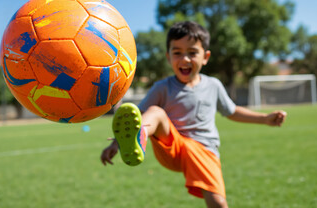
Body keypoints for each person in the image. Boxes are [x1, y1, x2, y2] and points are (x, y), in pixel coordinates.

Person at [100, 21, 287, 208]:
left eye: (192, 53)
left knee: (219, 204)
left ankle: (139, 136)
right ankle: (138, 139)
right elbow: (134, 117)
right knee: (155, 112)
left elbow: (232, 111)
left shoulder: (213, 85)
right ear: (168, 57)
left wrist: (264, 118)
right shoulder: (162, 88)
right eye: (177, 53)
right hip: (174, 146)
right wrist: (118, 142)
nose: (185, 59)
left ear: (205, 57)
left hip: (204, 149)